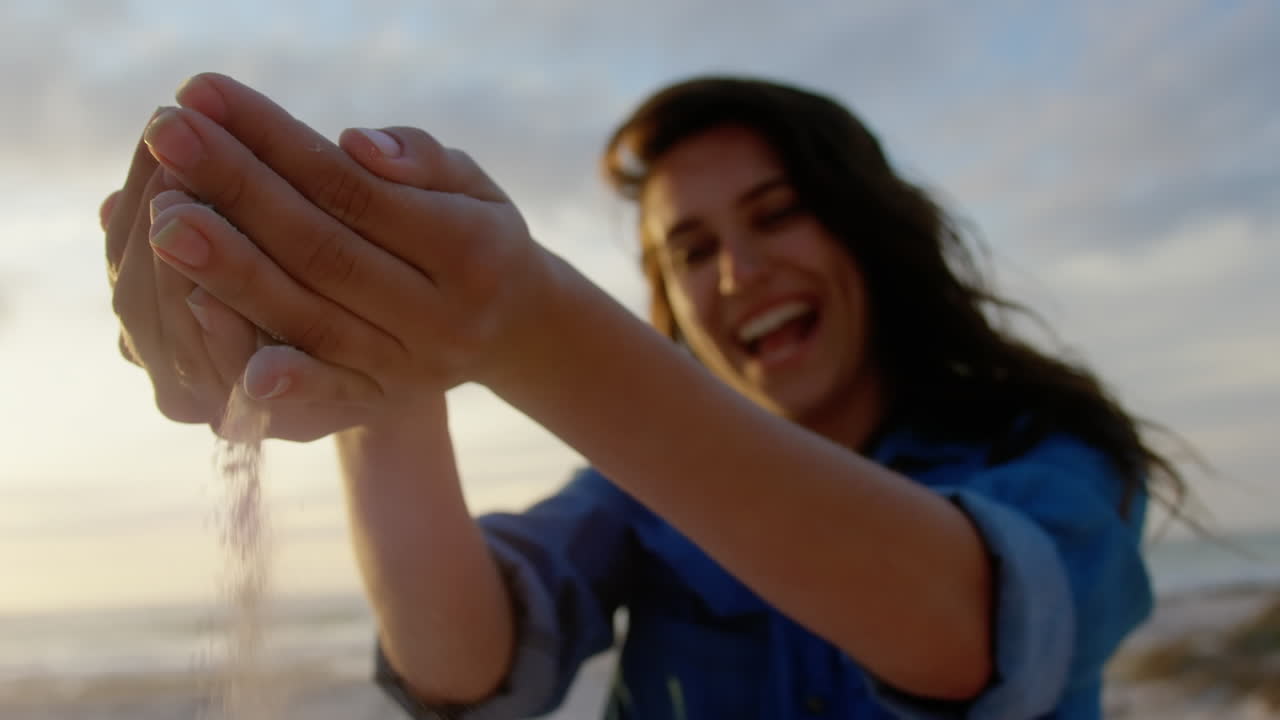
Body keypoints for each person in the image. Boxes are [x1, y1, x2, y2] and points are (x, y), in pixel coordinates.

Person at [100, 73, 1186, 719]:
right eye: (691, 249)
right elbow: (465, 665)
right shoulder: (632, 495)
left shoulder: (1049, 451)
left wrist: (521, 319)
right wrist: (376, 372)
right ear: (663, 299)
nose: (735, 272)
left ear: (871, 228)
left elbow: (975, 631)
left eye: (774, 216)